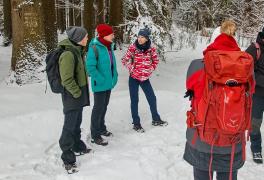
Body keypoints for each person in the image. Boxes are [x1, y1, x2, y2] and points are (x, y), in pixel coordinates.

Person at [183, 20, 254, 180]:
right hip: (232, 141)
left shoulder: (196, 66)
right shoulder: (247, 69)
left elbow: (190, 89)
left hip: (202, 140)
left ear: (213, 40)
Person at [121, 28, 168, 133]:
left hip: (145, 79)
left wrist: (150, 69)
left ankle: (156, 119)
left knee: (152, 98)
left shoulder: (151, 49)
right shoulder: (133, 48)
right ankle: (136, 124)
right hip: (133, 78)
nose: (140, 39)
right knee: (134, 100)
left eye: (142, 37)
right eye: (139, 36)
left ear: (147, 38)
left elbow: (155, 60)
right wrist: (132, 68)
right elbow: (124, 60)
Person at [58, 26, 91, 172]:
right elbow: (66, 79)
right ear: (78, 39)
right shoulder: (68, 55)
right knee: (69, 126)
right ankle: (67, 158)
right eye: (85, 37)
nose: (87, 38)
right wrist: (77, 93)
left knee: (77, 122)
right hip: (72, 96)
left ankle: (77, 146)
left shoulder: (78, 51)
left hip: (78, 95)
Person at [86, 24, 118, 146]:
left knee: (104, 106)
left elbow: (111, 65)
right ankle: (95, 135)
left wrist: (115, 77)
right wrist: (100, 79)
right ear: (104, 35)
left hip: (108, 83)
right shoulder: (94, 47)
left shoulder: (109, 46)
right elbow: (90, 67)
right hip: (99, 84)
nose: (113, 36)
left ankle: (101, 127)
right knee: (98, 108)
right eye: (111, 34)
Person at [245, 27, 264, 164]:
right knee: (255, 123)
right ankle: (256, 148)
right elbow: (245, 70)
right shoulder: (254, 49)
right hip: (257, 94)